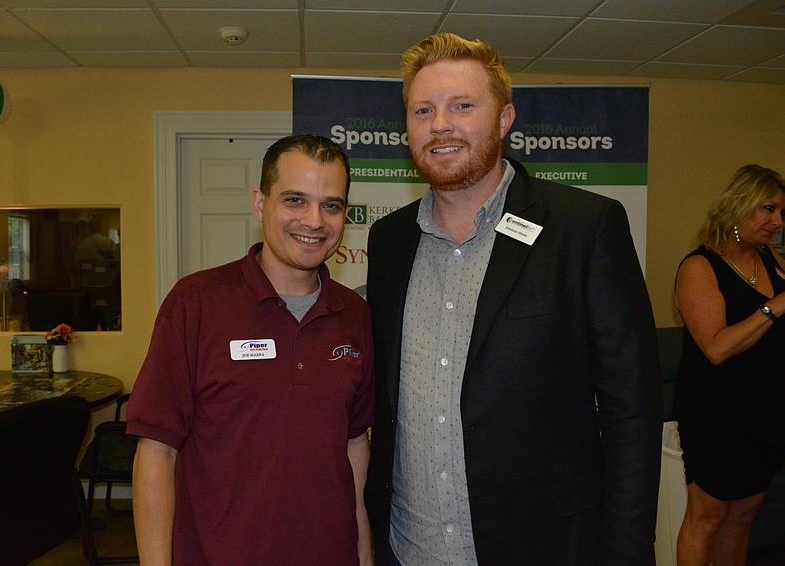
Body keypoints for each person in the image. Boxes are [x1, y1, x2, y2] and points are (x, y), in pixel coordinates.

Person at [363, 33, 662, 565]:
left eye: (462, 106)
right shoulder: (388, 243)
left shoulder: (584, 228)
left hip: (544, 546)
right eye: (422, 110)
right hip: (409, 549)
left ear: (504, 119)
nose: (439, 125)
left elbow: (631, 413)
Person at [126, 134, 375, 565]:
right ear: (261, 204)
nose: (314, 220)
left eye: (331, 205)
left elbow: (354, 447)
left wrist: (364, 556)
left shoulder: (355, 314)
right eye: (295, 200)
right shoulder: (196, 302)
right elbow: (156, 451)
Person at [674, 164, 785, 566]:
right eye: (768, 209)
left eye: (781, 213)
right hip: (716, 413)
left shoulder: (769, 259)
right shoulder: (700, 266)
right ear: (740, 206)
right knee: (708, 516)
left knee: (744, 515)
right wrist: (776, 305)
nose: (777, 222)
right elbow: (717, 348)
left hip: (764, 412)